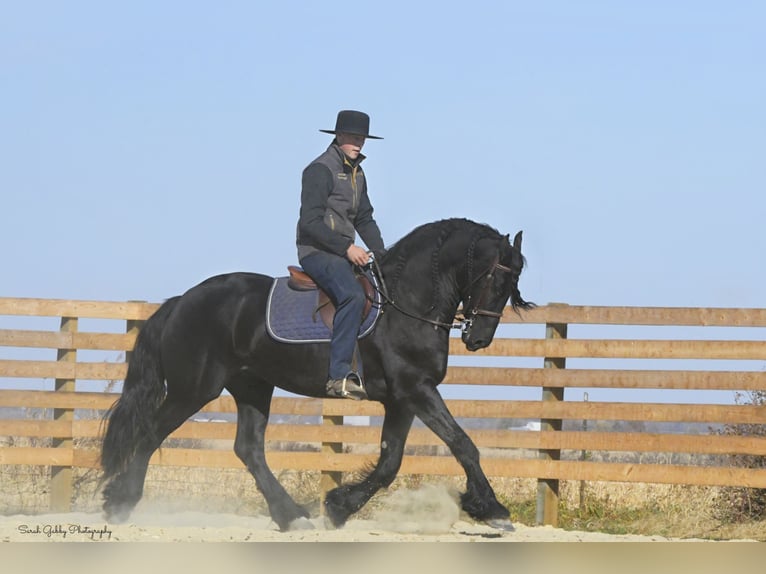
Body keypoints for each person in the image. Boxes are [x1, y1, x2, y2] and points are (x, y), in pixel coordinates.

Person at [296, 110, 387, 400]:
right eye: (352, 137)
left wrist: (384, 256)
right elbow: (310, 223)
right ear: (338, 136)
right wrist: (348, 248)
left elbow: (365, 219)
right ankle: (337, 376)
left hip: (343, 254)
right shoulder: (319, 170)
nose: (358, 143)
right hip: (317, 252)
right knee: (353, 296)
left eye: (361, 138)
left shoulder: (357, 174)